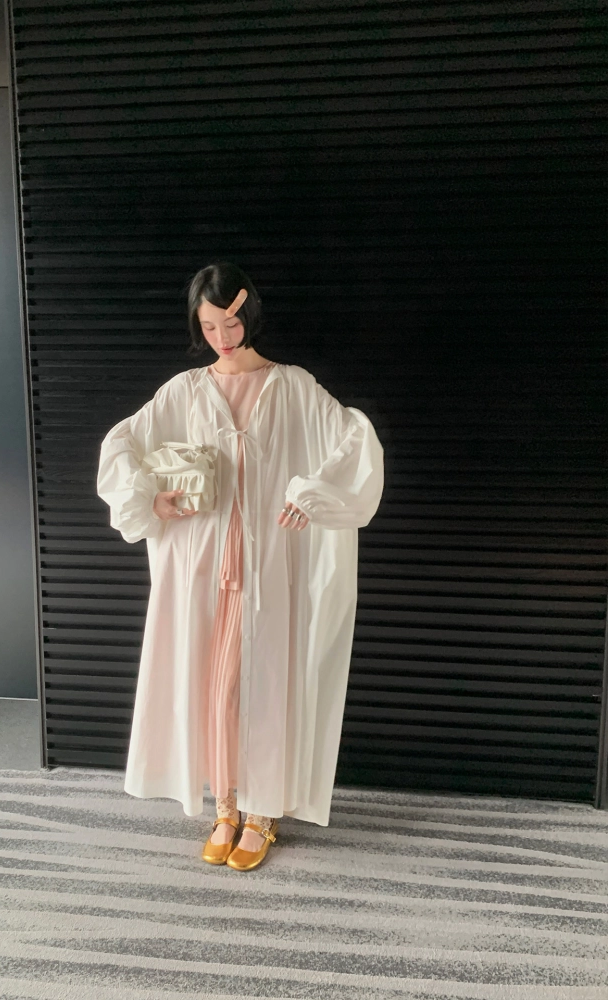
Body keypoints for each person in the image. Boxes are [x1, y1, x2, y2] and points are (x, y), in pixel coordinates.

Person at [97, 262, 384, 871]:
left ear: (248, 313)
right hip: (203, 566)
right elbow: (123, 444)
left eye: (230, 323)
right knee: (215, 687)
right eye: (209, 326)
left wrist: (313, 495)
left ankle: (262, 812)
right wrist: (152, 500)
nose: (222, 338)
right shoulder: (183, 391)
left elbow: (352, 442)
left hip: (273, 564)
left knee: (268, 684)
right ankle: (225, 805)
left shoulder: (293, 387)